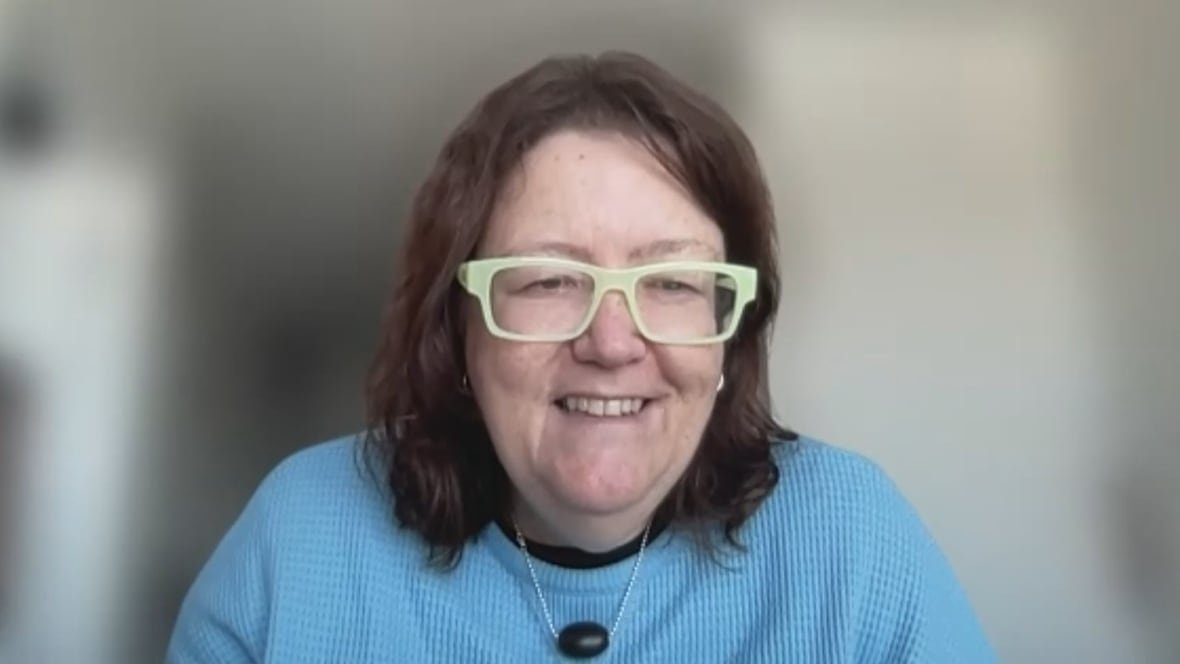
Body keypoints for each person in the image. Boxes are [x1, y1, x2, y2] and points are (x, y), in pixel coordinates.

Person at [166, 51, 993, 662]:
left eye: (670, 282)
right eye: (551, 280)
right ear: (458, 328)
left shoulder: (851, 543)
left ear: (728, 338)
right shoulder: (301, 540)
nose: (611, 341)